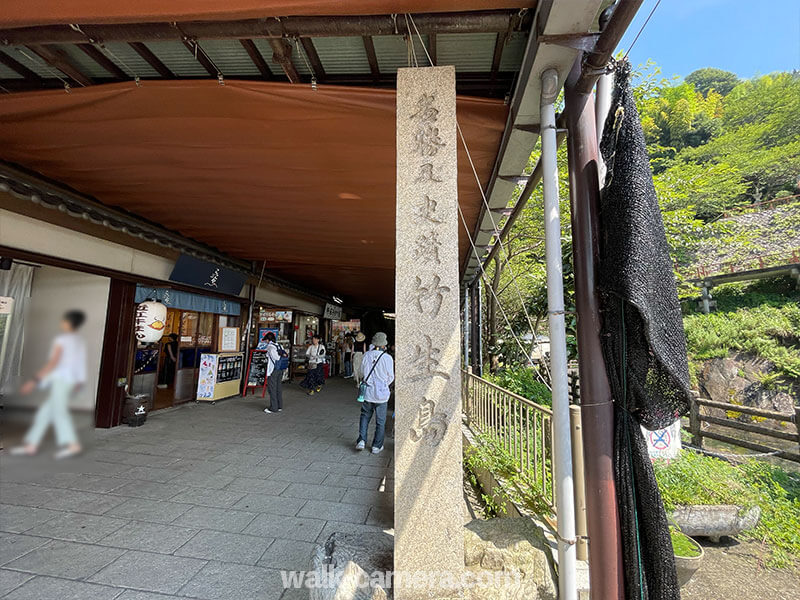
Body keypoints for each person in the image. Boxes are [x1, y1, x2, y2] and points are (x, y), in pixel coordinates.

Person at [10, 310, 87, 459]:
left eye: (63, 321)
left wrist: (34, 381)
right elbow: (80, 363)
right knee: (44, 413)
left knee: (59, 413)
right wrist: (80, 381)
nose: (62, 323)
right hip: (70, 380)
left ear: (68, 322)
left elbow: (53, 363)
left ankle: (73, 445)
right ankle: (31, 445)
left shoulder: (63, 340)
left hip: (61, 380)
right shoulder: (78, 340)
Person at [355, 332, 394, 454]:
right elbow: (391, 377)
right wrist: (383, 385)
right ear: (384, 345)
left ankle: (361, 441)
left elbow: (361, 372)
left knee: (365, 417)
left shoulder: (366, 355)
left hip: (368, 393)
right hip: (381, 395)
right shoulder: (387, 358)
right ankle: (376, 446)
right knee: (380, 421)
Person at [262, 331, 284, 414]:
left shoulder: (271, 348)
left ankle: (273, 407)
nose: (266, 342)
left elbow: (276, 358)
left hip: (273, 370)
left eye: (266, 340)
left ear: (268, 340)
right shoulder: (279, 346)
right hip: (280, 369)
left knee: (272, 389)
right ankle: (279, 406)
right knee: (278, 388)